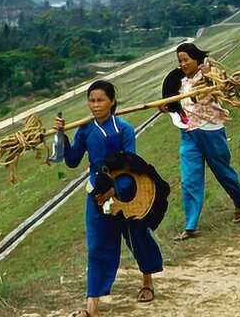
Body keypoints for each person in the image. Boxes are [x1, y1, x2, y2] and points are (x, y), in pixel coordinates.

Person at [55, 80, 163, 317]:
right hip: (96, 193)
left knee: (137, 237)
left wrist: (114, 191)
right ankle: (91, 307)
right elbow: (72, 160)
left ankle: (147, 281)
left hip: (125, 188)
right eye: (91, 100)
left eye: (100, 100)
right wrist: (62, 136)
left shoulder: (124, 129)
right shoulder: (85, 129)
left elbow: (131, 164)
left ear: (112, 101)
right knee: (97, 247)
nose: (95, 105)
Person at [160, 43, 240, 241]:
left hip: (211, 131)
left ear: (196, 58)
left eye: (186, 60)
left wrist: (208, 73)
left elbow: (221, 88)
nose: (183, 64)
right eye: (180, 61)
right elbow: (176, 103)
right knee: (189, 180)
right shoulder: (179, 81)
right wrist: (167, 107)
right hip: (189, 133)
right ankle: (191, 225)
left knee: (223, 172)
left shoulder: (210, 75)